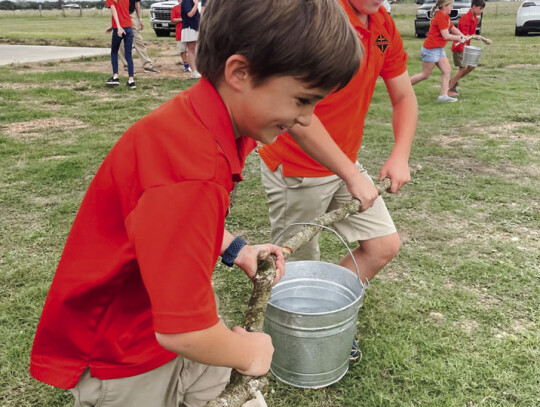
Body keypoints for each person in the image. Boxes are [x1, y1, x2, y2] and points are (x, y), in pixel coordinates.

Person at [29, 1, 363, 406]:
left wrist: (235, 248)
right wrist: (250, 352)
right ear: (239, 73)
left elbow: (172, 228)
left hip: (171, 327)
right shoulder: (191, 171)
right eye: (302, 100)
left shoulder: (209, 125)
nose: (308, 119)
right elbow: (183, 332)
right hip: (127, 357)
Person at [258, 0, 418, 359]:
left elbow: (404, 95)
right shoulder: (319, 16)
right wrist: (350, 174)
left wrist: (400, 154)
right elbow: (297, 112)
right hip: (296, 169)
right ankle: (297, 344)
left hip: (345, 162)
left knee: (383, 245)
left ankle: (320, 317)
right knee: (296, 264)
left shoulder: (382, 24)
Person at [410, 0, 469, 102]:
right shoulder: (440, 17)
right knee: (425, 74)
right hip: (431, 49)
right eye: (451, 6)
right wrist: (459, 39)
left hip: (439, 49)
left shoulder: (445, 16)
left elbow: (453, 28)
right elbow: (446, 36)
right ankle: (401, 87)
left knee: (447, 70)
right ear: (444, 6)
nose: (452, 8)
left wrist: (462, 35)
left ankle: (443, 96)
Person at [448, 0, 492, 96]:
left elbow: (471, 34)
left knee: (472, 66)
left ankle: (452, 80)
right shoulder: (465, 18)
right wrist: (477, 37)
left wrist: (483, 39)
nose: (481, 11)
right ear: (474, 6)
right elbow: (464, 36)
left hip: (466, 47)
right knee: (462, 68)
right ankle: (450, 88)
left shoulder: (475, 19)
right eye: (480, 8)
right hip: (459, 46)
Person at [118, 0, 160, 74]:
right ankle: (127, 65)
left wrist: (140, 19)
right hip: (121, 14)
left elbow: (136, 3)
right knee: (122, 40)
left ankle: (147, 65)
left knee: (138, 39)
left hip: (132, 14)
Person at [106, 0, 136, 89]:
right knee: (128, 54)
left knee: (114, 52)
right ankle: (131, 80)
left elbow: (114, 11)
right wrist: (112, 26)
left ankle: (115, 77)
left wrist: (118, 27)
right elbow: (123, 12)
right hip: (129, 27)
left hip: (119, 28)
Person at [181, 0, 201, 79]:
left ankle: (195, 70)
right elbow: (190, 14)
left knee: (193, 49)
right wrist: (196, 4)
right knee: (191, 50)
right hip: (189, 27)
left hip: (193, 27)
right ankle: (194, 72)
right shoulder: (187, 1)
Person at [171, 0, 192, 72]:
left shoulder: (190, 7)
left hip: (190, 29)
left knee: (191, 48)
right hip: (180, 31)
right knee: (182, 49)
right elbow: (173, 19)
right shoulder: (175, 8)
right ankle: (186, 65)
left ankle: (192, 64)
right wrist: (181, 19)